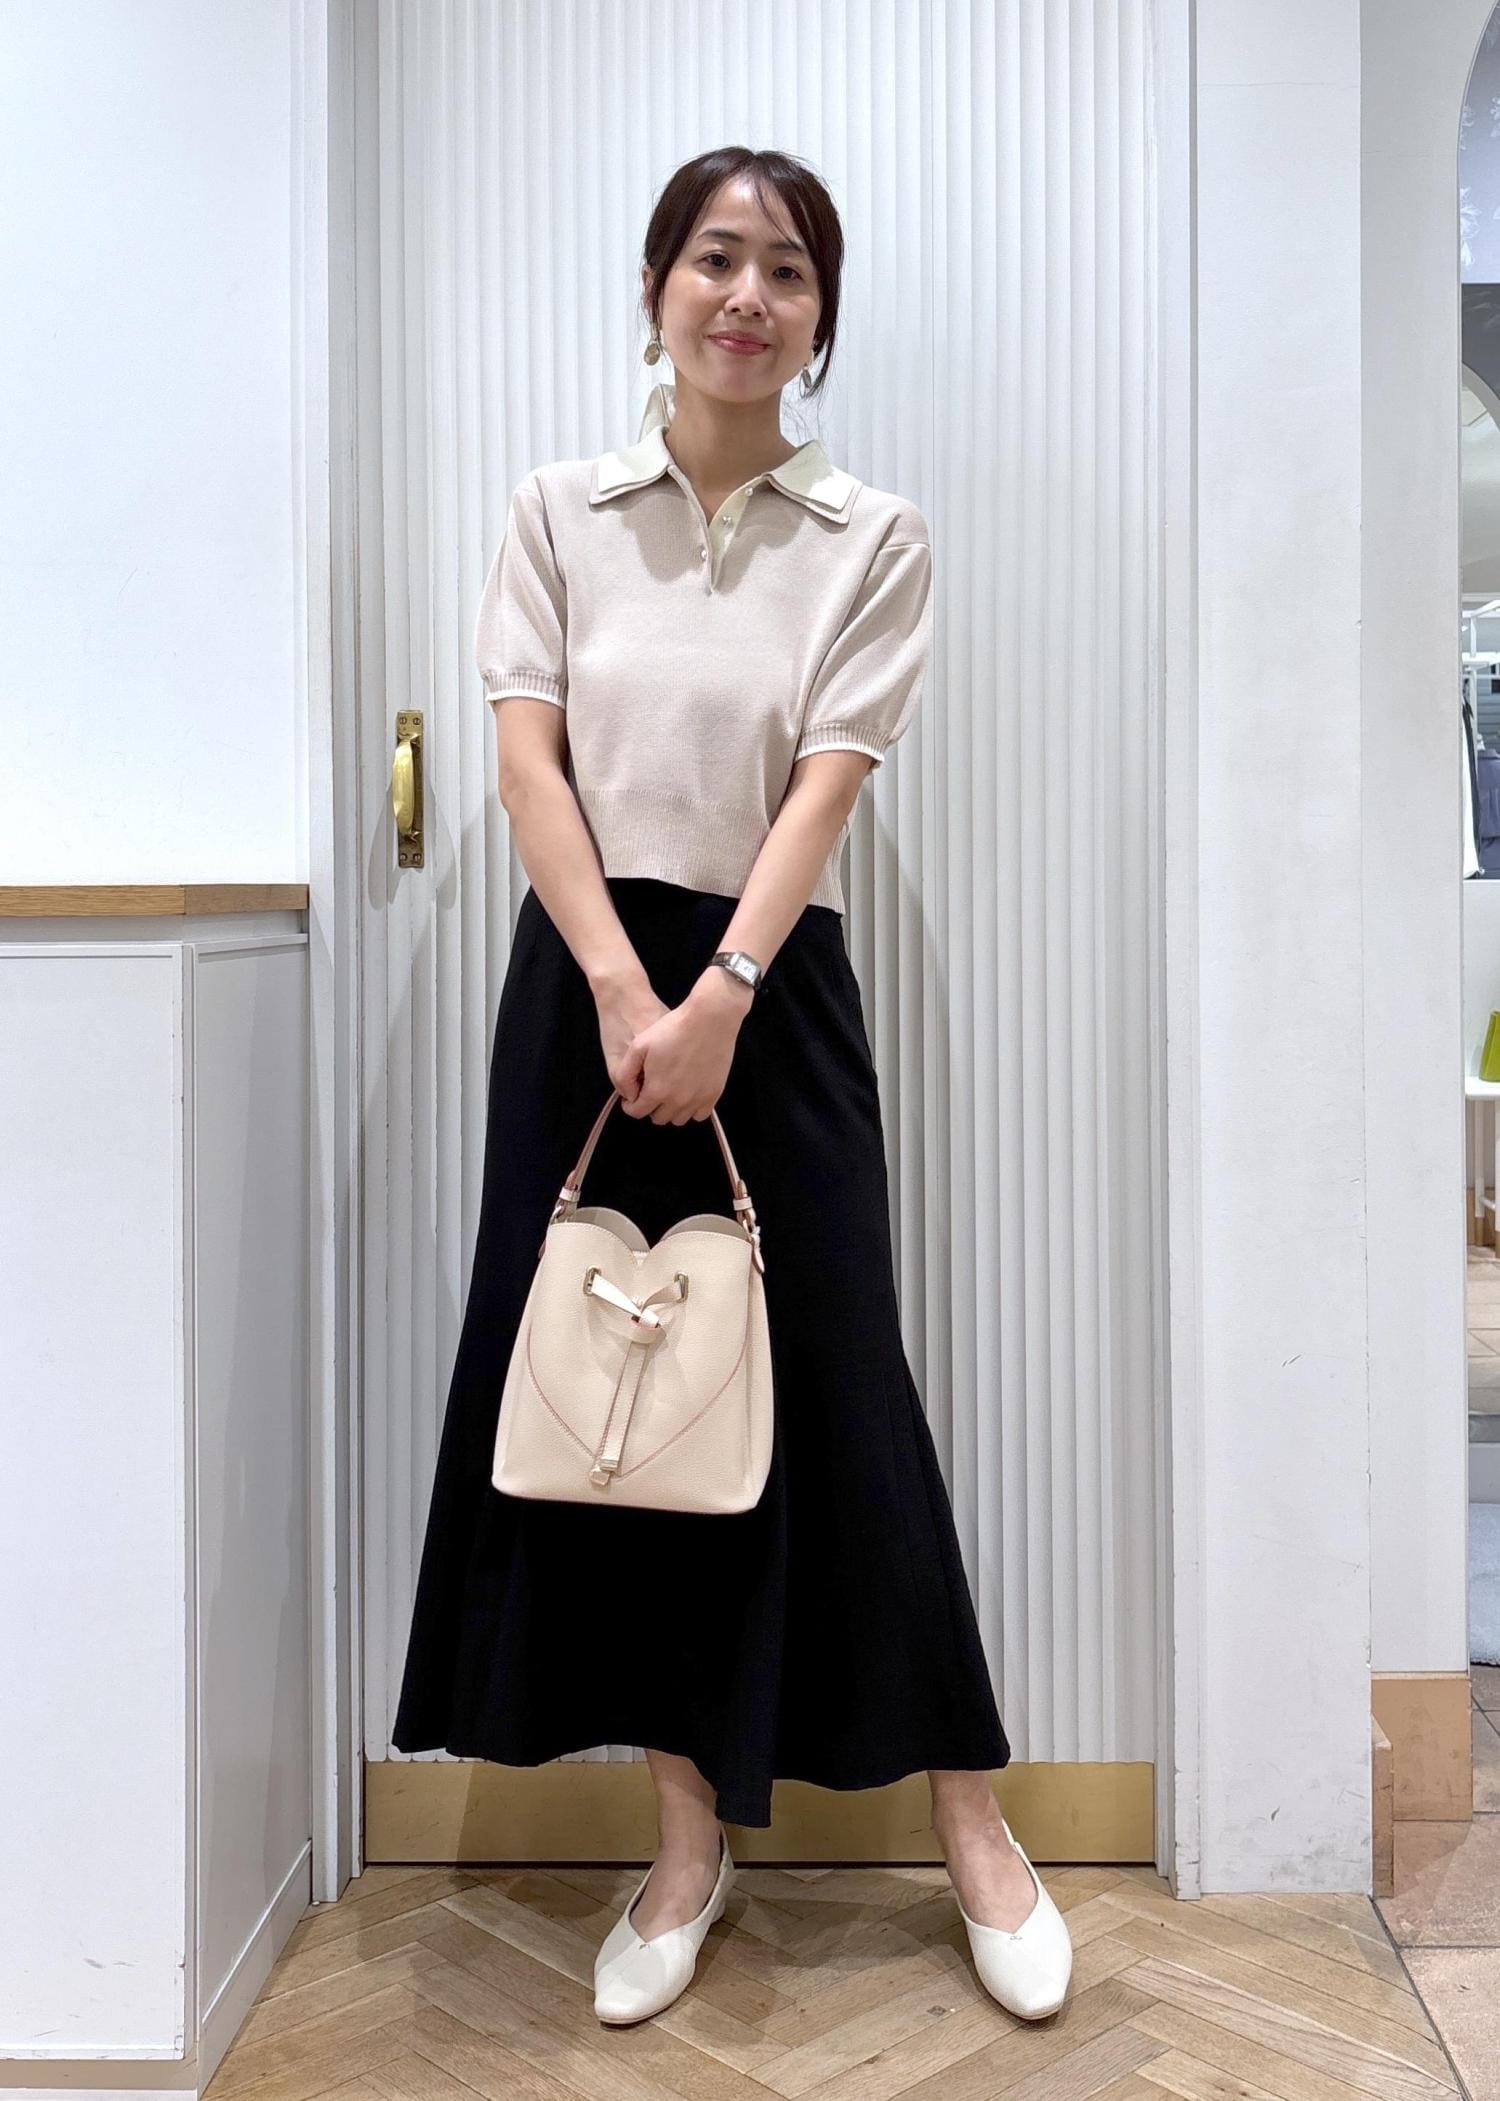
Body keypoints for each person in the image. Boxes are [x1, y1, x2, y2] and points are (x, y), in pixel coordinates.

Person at [391, 144, 1073, 2027]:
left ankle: (973, 1820)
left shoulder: (873, 534)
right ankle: (685, 1843)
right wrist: (628, 990)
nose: (746, 296)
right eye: (714, 258)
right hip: (586, 997)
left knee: (843, 1386)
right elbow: (526, 764)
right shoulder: (557, 511)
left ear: (820, 319)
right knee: (621, 1402)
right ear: (654, 288)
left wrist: (721, 997)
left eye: (785, 269)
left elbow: (825, 785)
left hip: (773, 994)